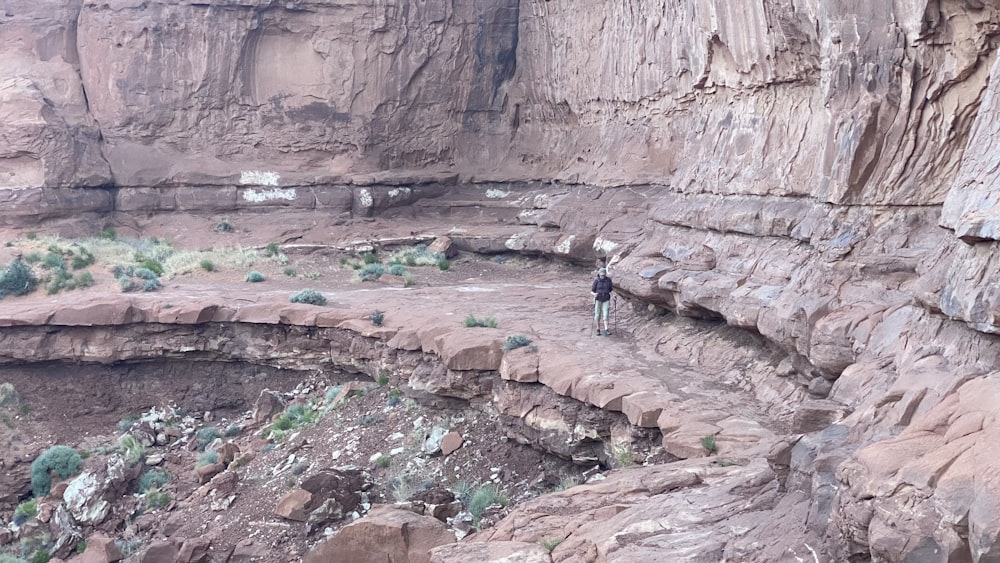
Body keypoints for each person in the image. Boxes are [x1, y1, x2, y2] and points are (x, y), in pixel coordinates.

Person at [591, 267, 613, 336]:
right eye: (601, 275)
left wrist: (614, 296)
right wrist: (594, 294)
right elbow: (592, 291)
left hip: (606, 298)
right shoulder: (596, 281)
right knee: (597, 314)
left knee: (606, 313)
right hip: (598, 299)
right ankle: (598, 329)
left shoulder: (608, 280)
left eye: (603, 275)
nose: (602, 276)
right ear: (599, 274)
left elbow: (611, 290)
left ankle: (606, 329)